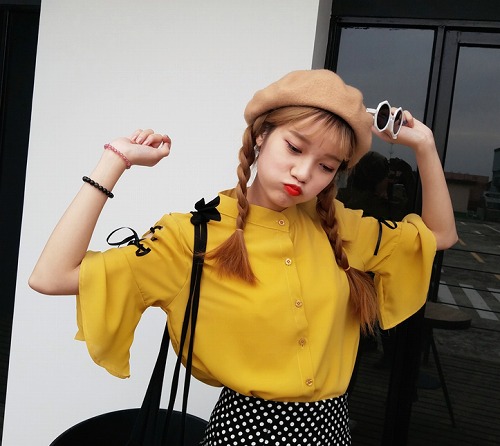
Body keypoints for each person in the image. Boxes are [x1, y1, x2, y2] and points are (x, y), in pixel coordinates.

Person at [29, 69, 457, 445]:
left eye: (326, 166)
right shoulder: (191, 235)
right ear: (262, 136)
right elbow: (51, 276)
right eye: (295, 148)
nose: (304, 173)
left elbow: (440, 235)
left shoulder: (339, 227)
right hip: (246, 433)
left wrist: (425, 146)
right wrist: (115, 161)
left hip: (333, 431)